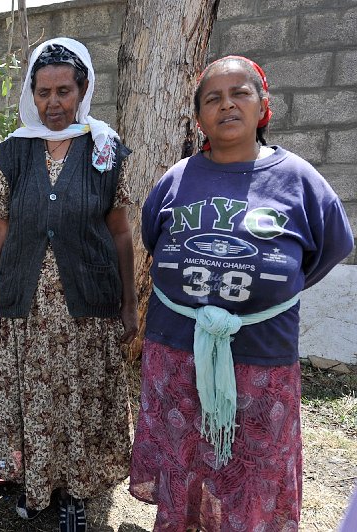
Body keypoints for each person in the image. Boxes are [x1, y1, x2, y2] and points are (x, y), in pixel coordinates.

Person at [129, 56, 354, 530]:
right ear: (199, 118)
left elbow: (331, 246)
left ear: (263, 105)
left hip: (261, 361)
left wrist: (268, 293)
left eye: (240, 93)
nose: (226, 104)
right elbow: (154, 239)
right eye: (212, 98)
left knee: (256, 480)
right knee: (185, 470)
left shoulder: (299, 180)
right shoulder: (176, 179)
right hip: (176, 357)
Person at [0, 38, 138, 531]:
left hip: (87, 307)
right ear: (31, 94)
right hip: (25, 306)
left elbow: (119, 231)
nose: (54, 103)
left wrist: (131, 305)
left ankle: (75, 493)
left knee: (77, 400)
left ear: (83, 90)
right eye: (44, 92)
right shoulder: (13, 153)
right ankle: (36, 483)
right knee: (34, 399)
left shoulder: (105, 148)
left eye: (64, 91)